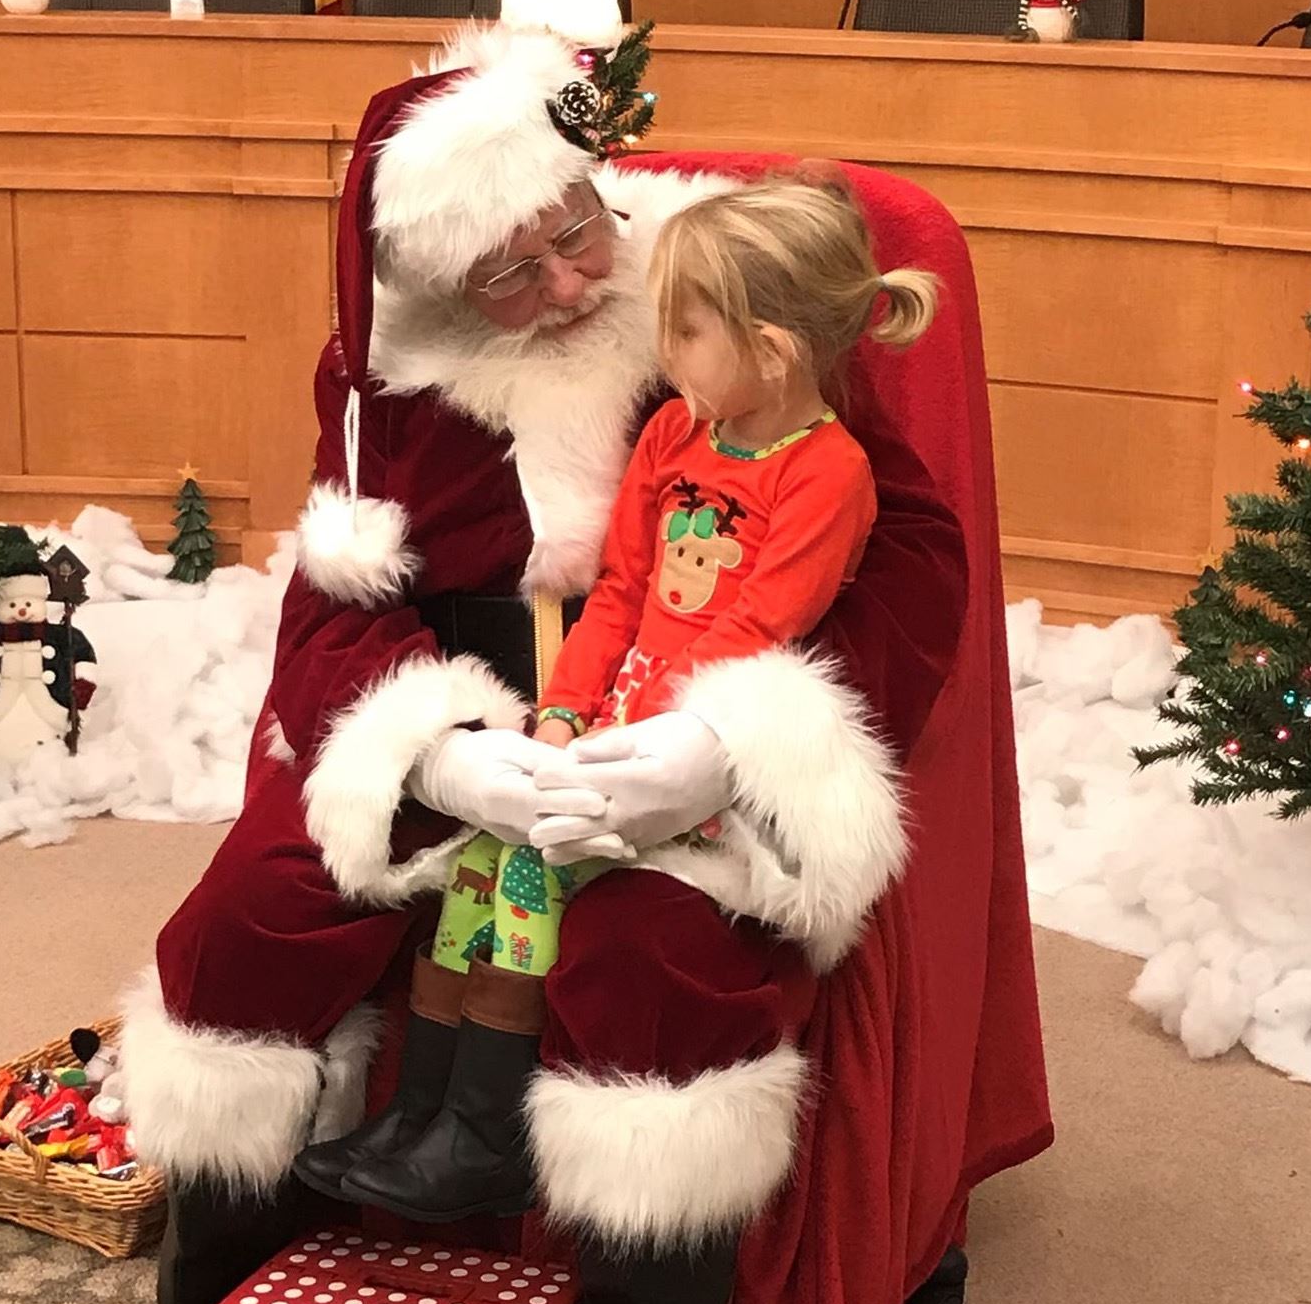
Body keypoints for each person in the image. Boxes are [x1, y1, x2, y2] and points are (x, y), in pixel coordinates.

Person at [45, 0, 1102, 1304]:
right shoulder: (387, 380)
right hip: (478, 721)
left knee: (654, 961)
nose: (555, 280)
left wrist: (719, 750)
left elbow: (907, 552)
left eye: (568, 235)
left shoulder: (711, 298)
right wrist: (438, 758)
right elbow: (335, 616)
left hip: (687, 724)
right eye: (505, 269)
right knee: (246, 922)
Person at [302, 175, 939, 1226]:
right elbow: (620, 595)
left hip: (688, 761)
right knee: (473, 870)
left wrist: (632, 749)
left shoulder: (827, 475)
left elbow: (754, 627)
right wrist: (559, 717)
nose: (663, 350)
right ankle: (417, 1116)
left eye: (684, 331)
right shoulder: (672, 437)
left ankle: (482, 1142)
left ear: (771, 352)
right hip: (606, 730)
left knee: (523, 883)